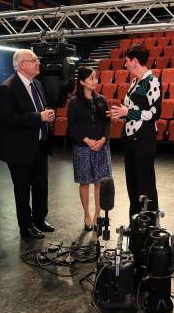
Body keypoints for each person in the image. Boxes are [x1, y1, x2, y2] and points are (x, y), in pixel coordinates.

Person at [0, 49, 56, 239]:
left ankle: (40, 219)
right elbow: (9, 118)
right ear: (22, 64)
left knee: (41, 186)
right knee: (22, 190)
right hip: (19, 149)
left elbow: (38, 111)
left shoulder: (37, 83)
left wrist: (46, 116)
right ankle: (26, 226)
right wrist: (39, 116)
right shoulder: (7, 88)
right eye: (34, 60)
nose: (38, 63)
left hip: (39, 145)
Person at [107, 44, 162, 218]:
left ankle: (148, 224)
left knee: (144, 183)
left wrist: (128, 112)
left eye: (127, 61)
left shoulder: (151, 81)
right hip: (130, 138)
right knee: (133, 184)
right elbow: (134, 109)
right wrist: (121, 114)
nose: (125, 65)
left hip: (144, 140)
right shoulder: (134, 82)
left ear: (135, 61)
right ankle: (136, 221)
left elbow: (154, 112)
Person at [67, 67, 112, 231]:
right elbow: (72, 126)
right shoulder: (73, 102)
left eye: (96, 78)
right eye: (91, 78)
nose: (95, 81)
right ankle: (86, 214)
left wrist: (102, 139)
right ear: (82, 82)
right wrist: (87, 140)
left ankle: (97, 213)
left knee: (99, 181)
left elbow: (108, 122)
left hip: (101, 146)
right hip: (83, 147)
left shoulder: (101, 99)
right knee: (85, 182)